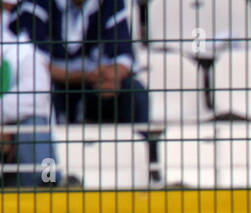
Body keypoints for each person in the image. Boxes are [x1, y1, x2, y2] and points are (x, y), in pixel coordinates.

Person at [11, 0, 149, 123]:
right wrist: (85, 76)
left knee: (134, 90)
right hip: (53, 84)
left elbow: (124, 56)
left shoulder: (111, 3)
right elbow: (32, 62)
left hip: (95, 84)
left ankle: (144, 147)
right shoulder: (35, 4)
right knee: (39, 92)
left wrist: (112, 75)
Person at [1, 4, 59, 186]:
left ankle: (45, 183)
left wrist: (5, 126)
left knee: (33, 123)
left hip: (16, 139)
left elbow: (37, 96)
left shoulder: (22, 51)